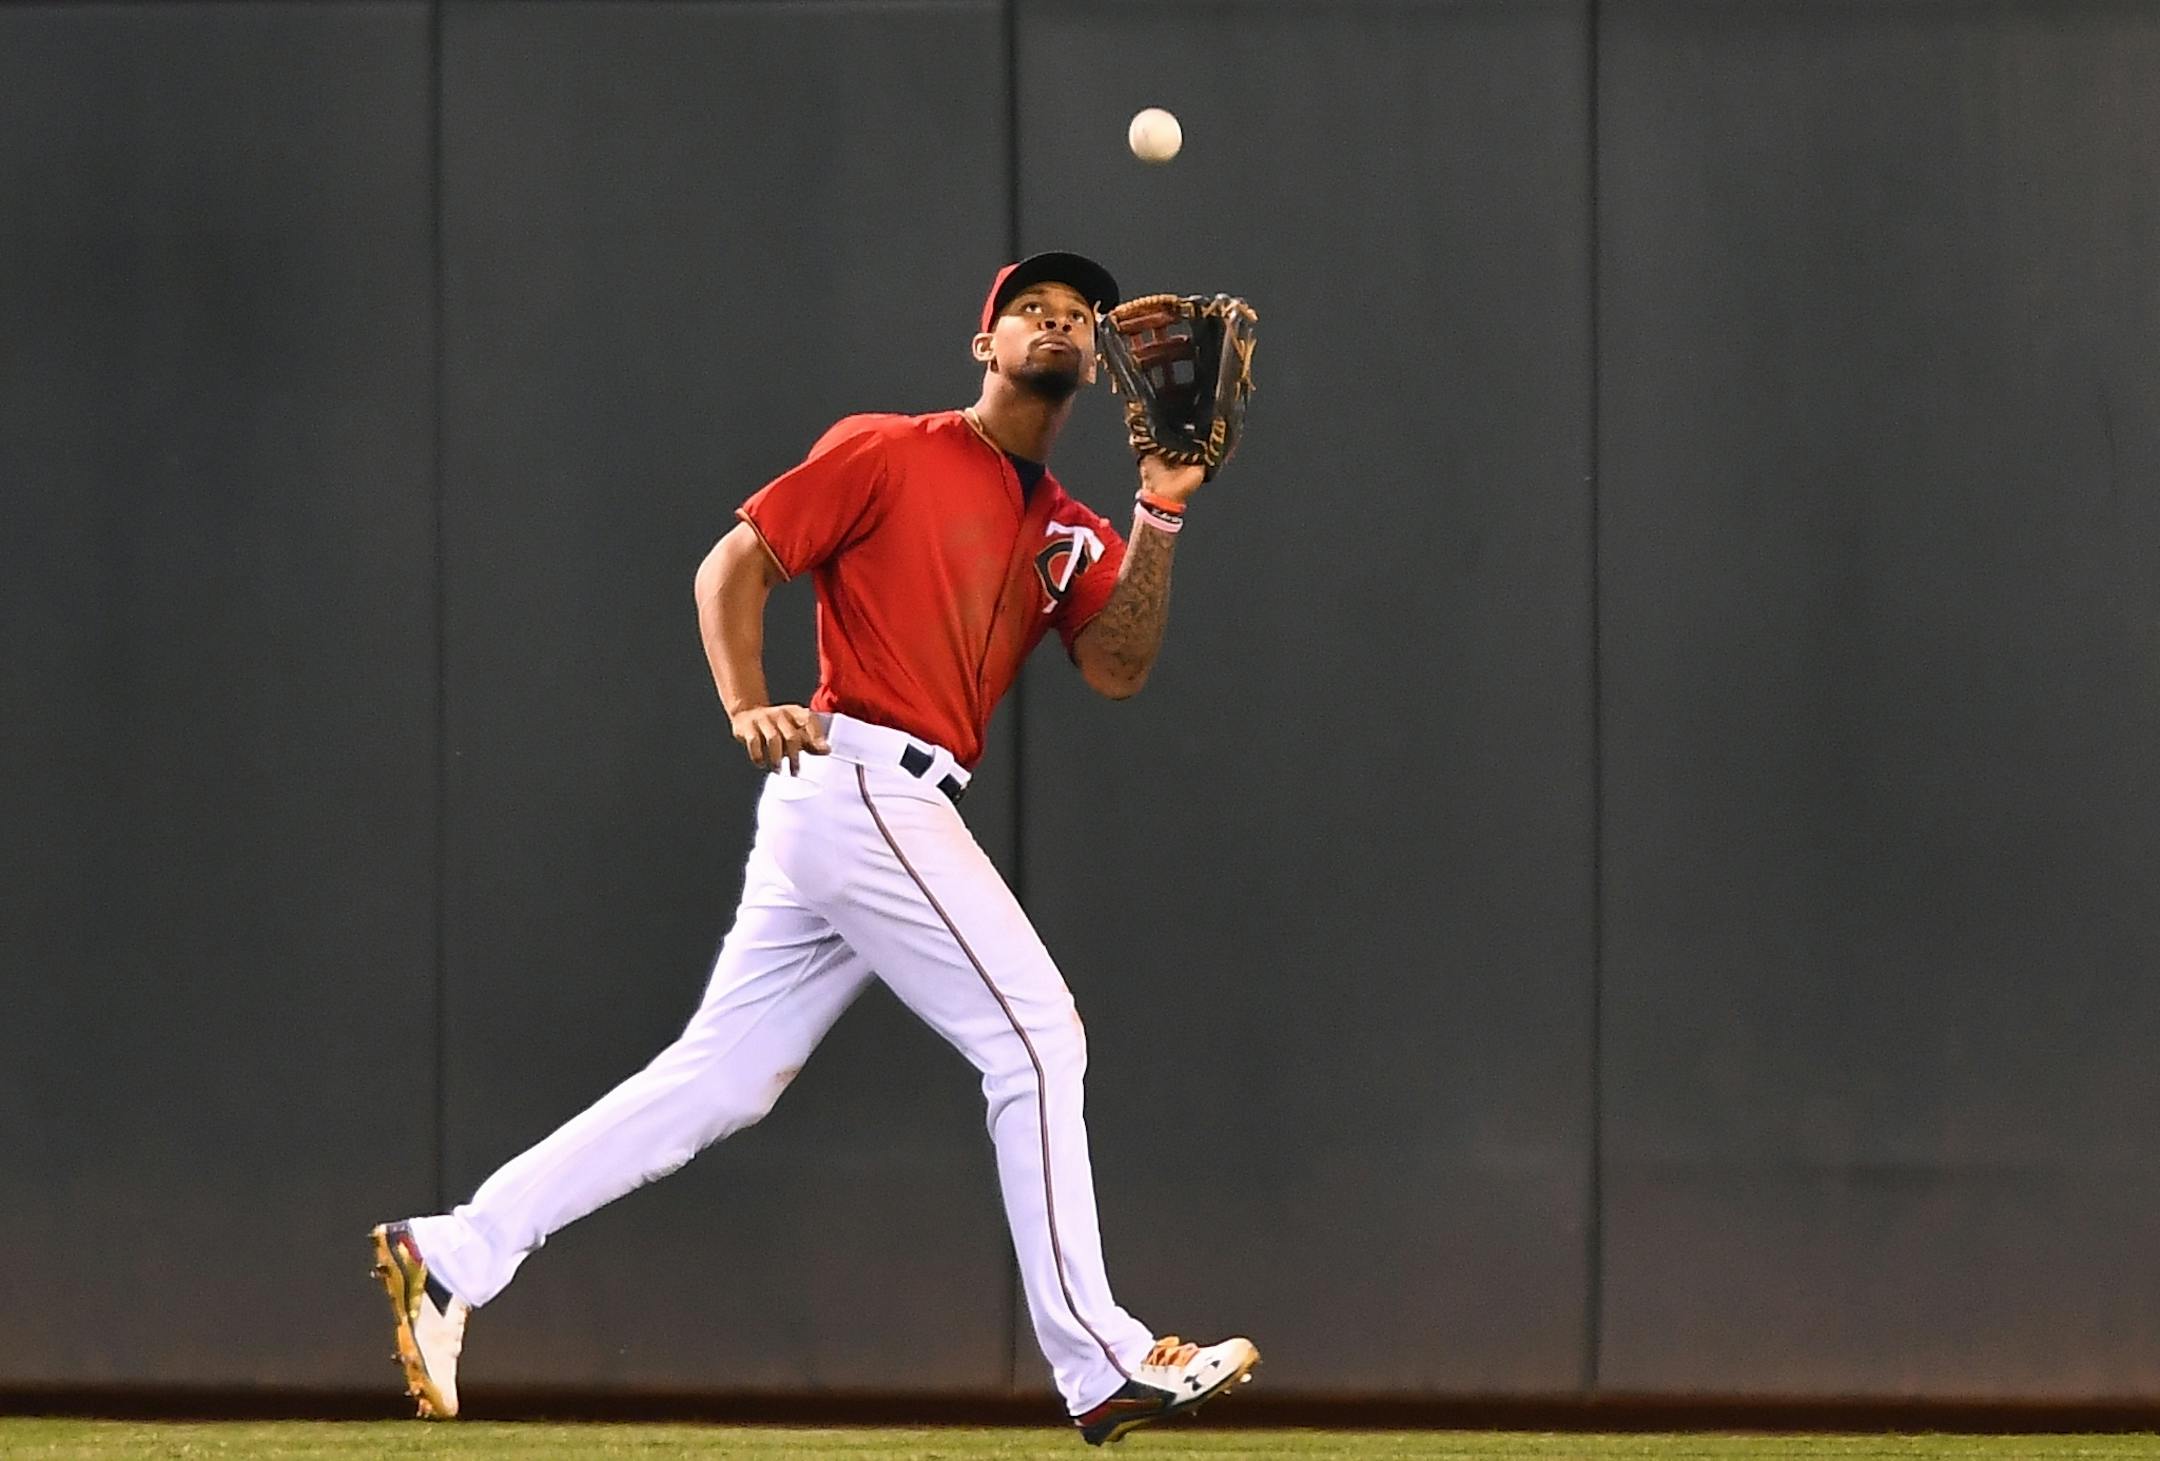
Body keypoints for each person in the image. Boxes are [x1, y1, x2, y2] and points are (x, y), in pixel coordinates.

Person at [368, 251, 1257, 1445]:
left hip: (864, 809)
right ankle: (1099, 1358)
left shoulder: (1070, 528)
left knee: (725, 1077)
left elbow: (1120, 666)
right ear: (983, 345)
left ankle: (457, 1252)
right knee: (1038, 1039)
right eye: (1028, 311)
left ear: (1099, 366)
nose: (1055, 325)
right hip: (861, 780)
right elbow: (733, 562)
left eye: (1076, 319)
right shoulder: (889, 449)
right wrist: (746, 701)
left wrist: (1163, 504)